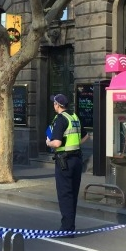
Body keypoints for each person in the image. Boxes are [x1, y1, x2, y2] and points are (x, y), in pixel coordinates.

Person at [45, 94, 89, 237]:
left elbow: (56, 143)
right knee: (73, 194)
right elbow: (86, 136)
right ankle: (70, 226)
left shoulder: (60, 119)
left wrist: (48, 143)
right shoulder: (74, 117)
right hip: (77, 159)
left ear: (57, 105)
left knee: (65, 195)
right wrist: (73, 146)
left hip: (65, 161)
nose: (53, 105)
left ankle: (67, 229)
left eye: (54, 103)